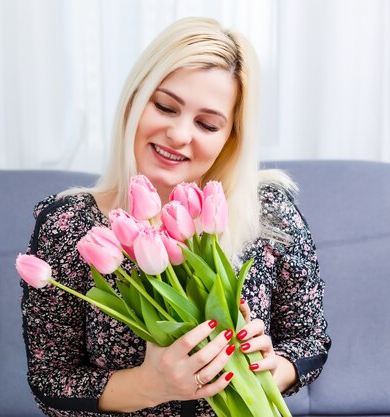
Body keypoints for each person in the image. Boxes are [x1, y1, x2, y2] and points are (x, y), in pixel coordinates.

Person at [21, 16, 331, 417]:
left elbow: (310, 339)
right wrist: (153, 386)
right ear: (134, 100)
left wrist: (272, 369)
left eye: (207, 123)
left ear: (230, 137)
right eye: (166, 106)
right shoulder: (71, 226)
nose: (180, 134)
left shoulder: (266, 211)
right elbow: (50, 381)